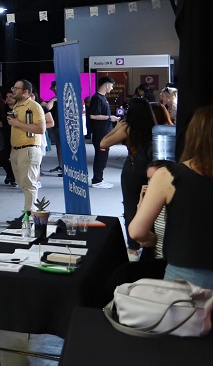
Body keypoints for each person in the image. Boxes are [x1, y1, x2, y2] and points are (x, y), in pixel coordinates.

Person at [129, 105, 213, 289]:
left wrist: (154, 239)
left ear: (193, 135)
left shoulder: (169, 175)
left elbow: (137, 231)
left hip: (185, 273)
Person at [101, 98, 158, 228]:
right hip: (151, 169)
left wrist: (116, 128)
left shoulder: (128, 128)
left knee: (131, 204)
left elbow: (103, 143)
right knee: (149, 203)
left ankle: (132, 238)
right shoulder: (154, 127)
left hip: (132, 169)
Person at [7, 80, 51, 214]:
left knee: (29, 184)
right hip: (16, 150)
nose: (13, 91)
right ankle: (29, 213)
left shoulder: (34, 106)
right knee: (22, 182)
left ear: (25, 92)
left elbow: (41, 129)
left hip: (29, 149)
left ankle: (29, 215)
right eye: (13, 88)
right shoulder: (16, 106)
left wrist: (17, 123)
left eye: (16, 88)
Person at [86, 76, 119, 188]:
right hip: (100, 134)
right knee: (100, 156)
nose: (112, 88)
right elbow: (93, 115)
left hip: (105, 133)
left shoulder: (102, 98)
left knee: (103, 156)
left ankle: (99, 178)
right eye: (111, 86)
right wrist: (110, 118)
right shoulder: (97, 98)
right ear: (106, 85)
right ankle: (97, 180)